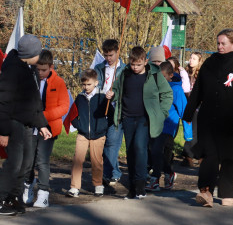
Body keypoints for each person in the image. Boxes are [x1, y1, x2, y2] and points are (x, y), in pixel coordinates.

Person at [184, 29, 233, 207]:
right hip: (209, 119)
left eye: (223, 43)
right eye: (218, 43)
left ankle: (227, 194)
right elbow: (199, 89)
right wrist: (189, 111)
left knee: (230, 159)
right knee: (209, 156)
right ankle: (206, 191)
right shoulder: (210, 63)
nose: (219, 46)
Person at [0, 34, 51, 215]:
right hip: (13, 122)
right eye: (38, 53)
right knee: (14, 163)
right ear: (31, 54)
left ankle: (13, 196)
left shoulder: (29, 69)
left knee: (25, 163)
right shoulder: (12, 70)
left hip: (26, 122)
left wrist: (42, 124)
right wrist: (3, 131)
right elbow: (3, 102)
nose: (40, 56)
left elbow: (34, 101)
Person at [107, 46, 173, 198]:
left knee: (140, 147)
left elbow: (167, 94)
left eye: (138, 64)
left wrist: (161, 113)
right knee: (130, 151)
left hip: (145, 118)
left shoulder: (155, 75)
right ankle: (132, 187)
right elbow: (117, 90)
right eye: (132, 64)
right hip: (127, 117)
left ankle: (141, 185)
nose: (135, 68)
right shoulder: (125, 74)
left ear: (145, 61)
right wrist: (112, 94)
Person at [25, 49, 70, 208]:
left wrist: (44, 116)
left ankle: (43, 193)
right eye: (38, 69)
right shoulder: (31, 79)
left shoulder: (59, 82)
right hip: (31, 126)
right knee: (28, 160)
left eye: (43, 70)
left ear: (51, 67)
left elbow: (64, 106)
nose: (40, 72)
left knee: (42, 161)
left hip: (50, 128)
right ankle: (28, 187)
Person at [66, 69, 108, 197]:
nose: (86, 87)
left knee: (97, 161)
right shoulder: (80, 97)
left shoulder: (102, 97)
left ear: (96, 83)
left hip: (98, 135)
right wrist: (80, 126)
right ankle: (74, 187)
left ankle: (98, 185)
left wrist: (103, 126)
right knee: (77, 160)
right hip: (83, 134)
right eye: (83, 84)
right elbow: (72, 115)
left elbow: (111, 115)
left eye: (89, 84)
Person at [150, 61, 187, 191]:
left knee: (157, 151)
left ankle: (154, 179)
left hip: (169, 126)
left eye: (163, 77)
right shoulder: (156, 87)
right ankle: (168, 173)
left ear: (171, 75)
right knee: (162, 153)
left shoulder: (176, 90)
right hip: (156, 125)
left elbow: (184, 110)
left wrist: (188, 134)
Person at [96, 38, 124, 194]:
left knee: (112, 143)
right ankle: (115, 172)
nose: (108, 58)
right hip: (101, 109)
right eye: (106, 55)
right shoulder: (99, 68)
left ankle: (107, 174)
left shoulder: (124, 70)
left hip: (117, 111)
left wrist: (115, 95)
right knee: (103, 143)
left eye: (111, 55)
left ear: (117, 52)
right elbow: (95, 84)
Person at [181, 51, 203, 166]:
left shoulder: (200, 74)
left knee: (199, 129)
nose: (191, 60)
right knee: (190, 129)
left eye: (194, 59)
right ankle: (188, 155)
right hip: (187, 103)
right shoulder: (185, 73)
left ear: (199, 62)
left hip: (198, 104)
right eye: (190, 58)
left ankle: (199, 154)